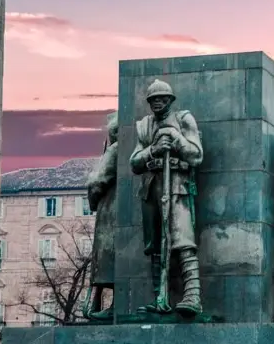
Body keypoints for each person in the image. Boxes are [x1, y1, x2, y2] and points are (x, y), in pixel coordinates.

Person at [129, 79, 203, 317]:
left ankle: (193, 295)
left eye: (162, 98)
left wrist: (175, 137)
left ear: (170, 100)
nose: (157, 102)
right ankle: (159, 296)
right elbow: (134, 162)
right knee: (155, 246)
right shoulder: (144, 126)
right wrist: (154, 150)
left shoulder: (183, 120)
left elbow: (196, 155)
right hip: (152, 190)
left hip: (178, 188)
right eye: (153, 99)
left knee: (183, 241)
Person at [83, 112, 118, 320]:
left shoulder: (114, 150)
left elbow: (96, 182)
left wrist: (93, 202)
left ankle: (110, 306)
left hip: (109, 210)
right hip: (114, 208)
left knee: (107, 260)